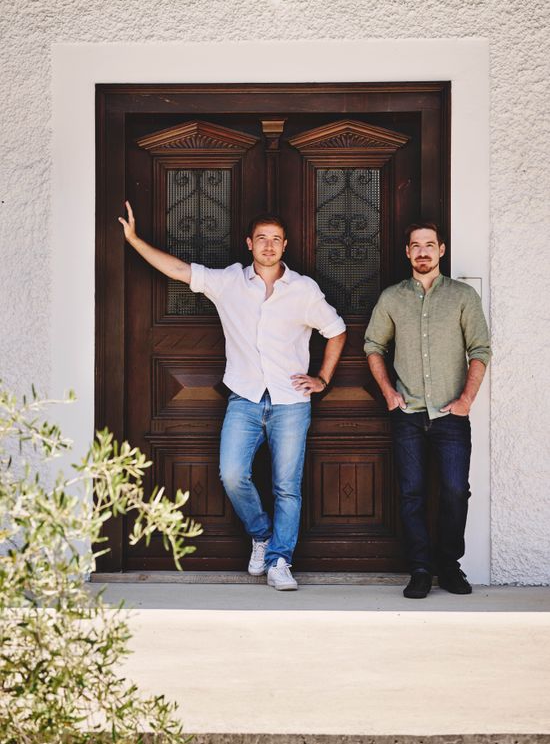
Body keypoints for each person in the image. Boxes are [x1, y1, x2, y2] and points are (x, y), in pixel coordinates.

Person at [119, 202, 346, 591]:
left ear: (285, 245)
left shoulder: (304, 290)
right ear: (249, 243)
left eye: (276, 239)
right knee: (232, 474)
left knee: (287, 487)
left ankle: (280, 561)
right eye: (262, 239)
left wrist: (322, 378)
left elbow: (336, 331)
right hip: (244, 398)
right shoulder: (229, 282)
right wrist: (134, 240)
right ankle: (262, 535)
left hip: (291, 402)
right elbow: (179, 270)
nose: (269, 246)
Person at [364, 222, 491, 598]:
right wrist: (389, 393)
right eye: (416, 246)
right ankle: (420, 569)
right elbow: (373, 345)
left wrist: (466, 401)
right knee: (412, 493)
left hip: (451, 416)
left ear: (441, 250)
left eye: (429, 245)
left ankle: (449, 567)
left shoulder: (463, 296)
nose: (423, 252)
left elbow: (480, 350)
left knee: (455, 491)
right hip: (407, 414)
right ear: (407, 252)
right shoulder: (392, 298)